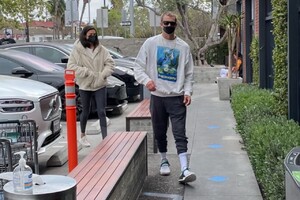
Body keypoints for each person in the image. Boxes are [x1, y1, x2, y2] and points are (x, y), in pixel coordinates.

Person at [134, 11, 196, 184]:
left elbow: (190, 74)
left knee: (179, 133)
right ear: (161, 24)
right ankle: (163, 159)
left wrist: (187, 92)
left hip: (177, 97)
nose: (169, 26)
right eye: (166, 23)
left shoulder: (183, 47)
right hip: (158, 97)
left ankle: (184, 168)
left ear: (176, 25)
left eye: (172, 23)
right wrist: (147, 81)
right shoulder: (151, 43)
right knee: (160, 132)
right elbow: (137, 67)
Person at [67, 25, 115, 147]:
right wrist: (87, 72)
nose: (93, 36)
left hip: (100, 84)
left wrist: (103, 75)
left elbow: (110, 63)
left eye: (94, 34)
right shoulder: (77, 50)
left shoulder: (101, 49)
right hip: (85, 84)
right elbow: (71, 66)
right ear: (84, 35)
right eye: (90, 34)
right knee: (85, 111)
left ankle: (105, 138)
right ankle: (82, 135)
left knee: (101, 111)